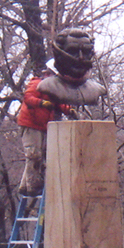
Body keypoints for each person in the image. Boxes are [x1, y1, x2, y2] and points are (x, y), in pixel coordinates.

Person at [17, 64, 77, 197]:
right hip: (30, 124)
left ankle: (25, 186)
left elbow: (58, 103)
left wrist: (68, 110)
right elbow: (28, 98)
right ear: (48, 74)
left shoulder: (51, 89)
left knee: (39, 154)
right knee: (34, 155)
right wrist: (41, 103)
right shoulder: (37, 84)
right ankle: (32, 186)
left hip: (41, 125)